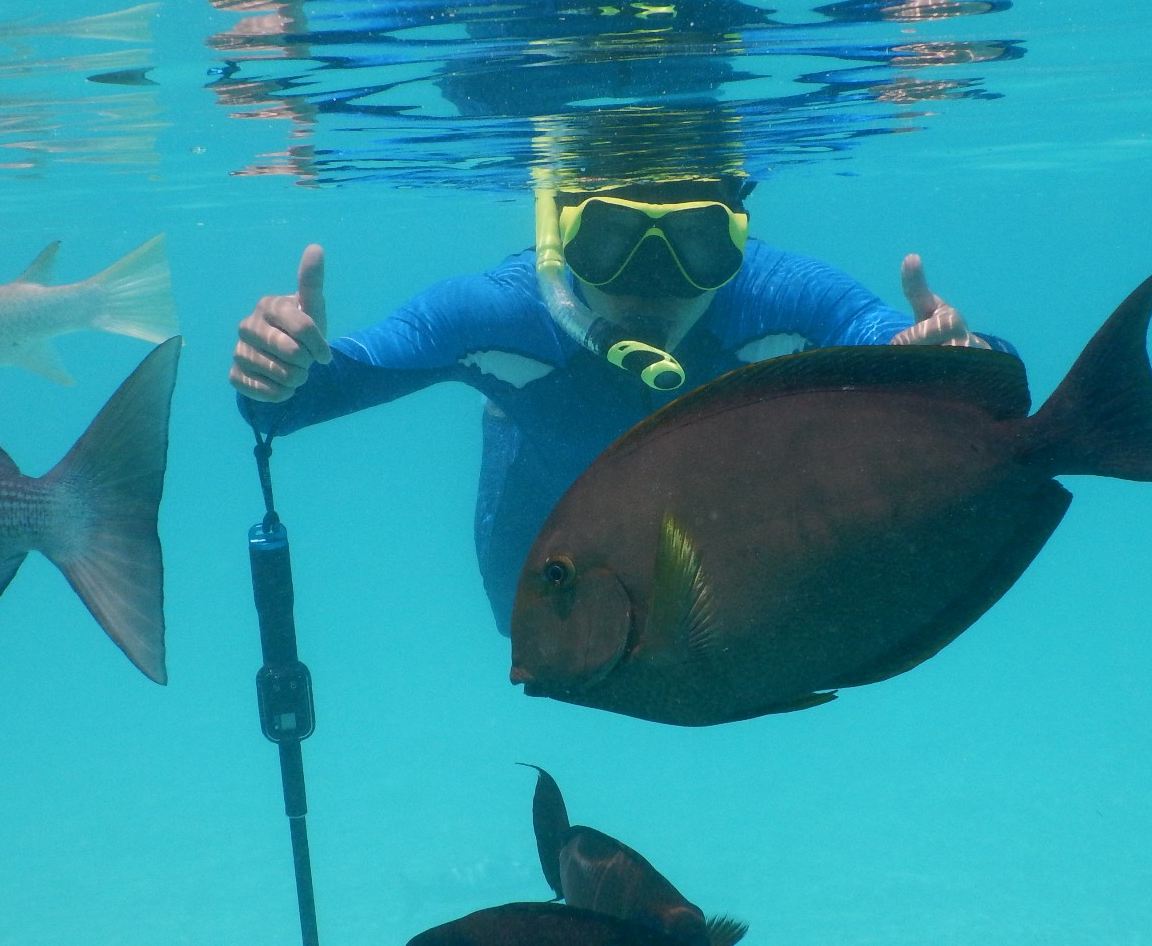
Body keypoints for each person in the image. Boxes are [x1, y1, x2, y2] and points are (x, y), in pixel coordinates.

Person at [230, 178, 1013, 630]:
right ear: (560, 236)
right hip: (549, 507)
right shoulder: (495, 311)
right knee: (528, 627)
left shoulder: (782, 295)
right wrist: (279, 371)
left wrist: (965, 360)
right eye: (610, 239)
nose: (653, 279)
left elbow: (910, 347)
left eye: (697, 245)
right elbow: (300, 402)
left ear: (736, 238)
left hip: (720, 519)